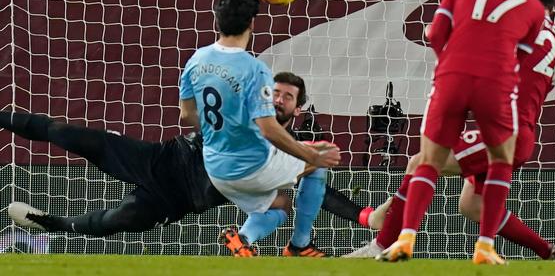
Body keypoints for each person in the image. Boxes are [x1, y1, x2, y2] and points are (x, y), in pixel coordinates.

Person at [348, 0, 555, 259]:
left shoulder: (516, 28)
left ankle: (379, 242)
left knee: (422, 162)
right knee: (472, 205)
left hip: (504, 131)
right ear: (551, 6)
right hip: (520, 136)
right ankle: (549, 251)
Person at [5, 76, 384, 242]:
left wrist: (363, 216)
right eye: (276, 92)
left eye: (288, 96)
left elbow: (318, 192)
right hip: (163, 158)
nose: (279, 99)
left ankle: (54, 225)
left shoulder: (290, 152)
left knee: (119, 220)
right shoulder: (246, 115)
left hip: (179, 198)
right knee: (68, 134)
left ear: (298, 108)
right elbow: (195, 114)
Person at [378, 0, 546, 264]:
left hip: (451, 78)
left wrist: (449, 63)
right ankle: (484, 247)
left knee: (428, 161)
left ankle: (405, 239)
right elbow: (520, 59)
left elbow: (436, 33)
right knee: (501, 160)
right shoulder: (533, 7)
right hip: (494, 87)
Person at [178, 0, 340, 257]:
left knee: (281, 205)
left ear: (217, 21)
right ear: (252, 23)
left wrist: (221, 132)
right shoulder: (255, 69)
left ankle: (242, 238)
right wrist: (310, 155)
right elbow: (269, 129)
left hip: (216, 169)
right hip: (251, 166)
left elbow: (186, 115)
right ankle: (300, 245)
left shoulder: (196, 60)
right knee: (322, 156)